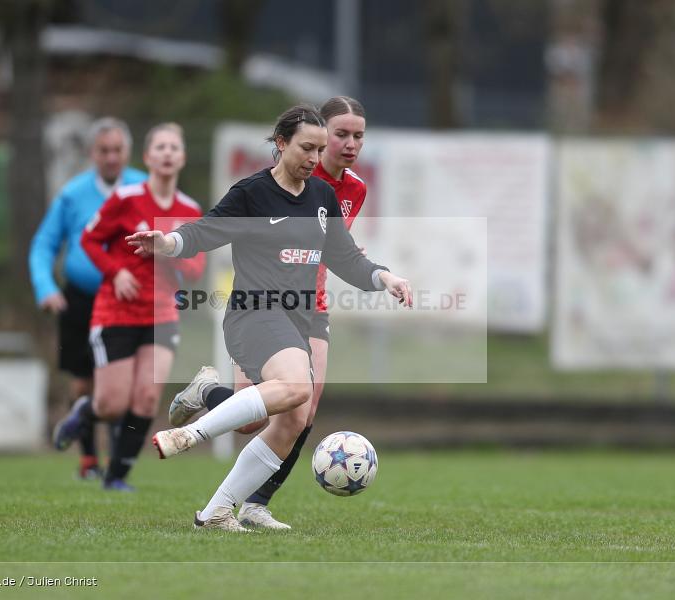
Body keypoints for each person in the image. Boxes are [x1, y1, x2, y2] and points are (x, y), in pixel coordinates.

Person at [127, 104, 412, 530]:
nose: (315, 159)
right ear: (281, 144)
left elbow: (345, 257)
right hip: (254, 313)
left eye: (319, 150)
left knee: (293, 418)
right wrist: (168, 242)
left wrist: (382, 276)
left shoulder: (322, 197)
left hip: (296, 320)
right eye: (307, 148)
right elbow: (206, 230)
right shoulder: (252, 193)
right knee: (297, 387)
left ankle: (217, 511)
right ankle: (191, 435)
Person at [52, 123, 206, 491]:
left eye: (174, 147)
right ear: (148, 157)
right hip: (116, 311)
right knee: (112, 404)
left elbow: (197, 268)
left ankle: (117, 476)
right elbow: (89, 239)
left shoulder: (189, 209)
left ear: (182, 158)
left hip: (161, 314)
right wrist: (116, 271)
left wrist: (170, 249)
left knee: (148, 397)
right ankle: (85, 412)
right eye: (161, 147)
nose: (168, 153)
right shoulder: (126, 197)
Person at [30, 117, 146, 480]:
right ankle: (88, 459)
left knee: (122, 385)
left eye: (117, 150)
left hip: (130, 301)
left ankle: (116, 463)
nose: (111, 157)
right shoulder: (73, 194)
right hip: (81, 299)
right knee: (84, 383)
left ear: (127, 152)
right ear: (92, 154)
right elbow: (43, 245)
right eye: (104, 150)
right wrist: (45, 287)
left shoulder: (144, 188)